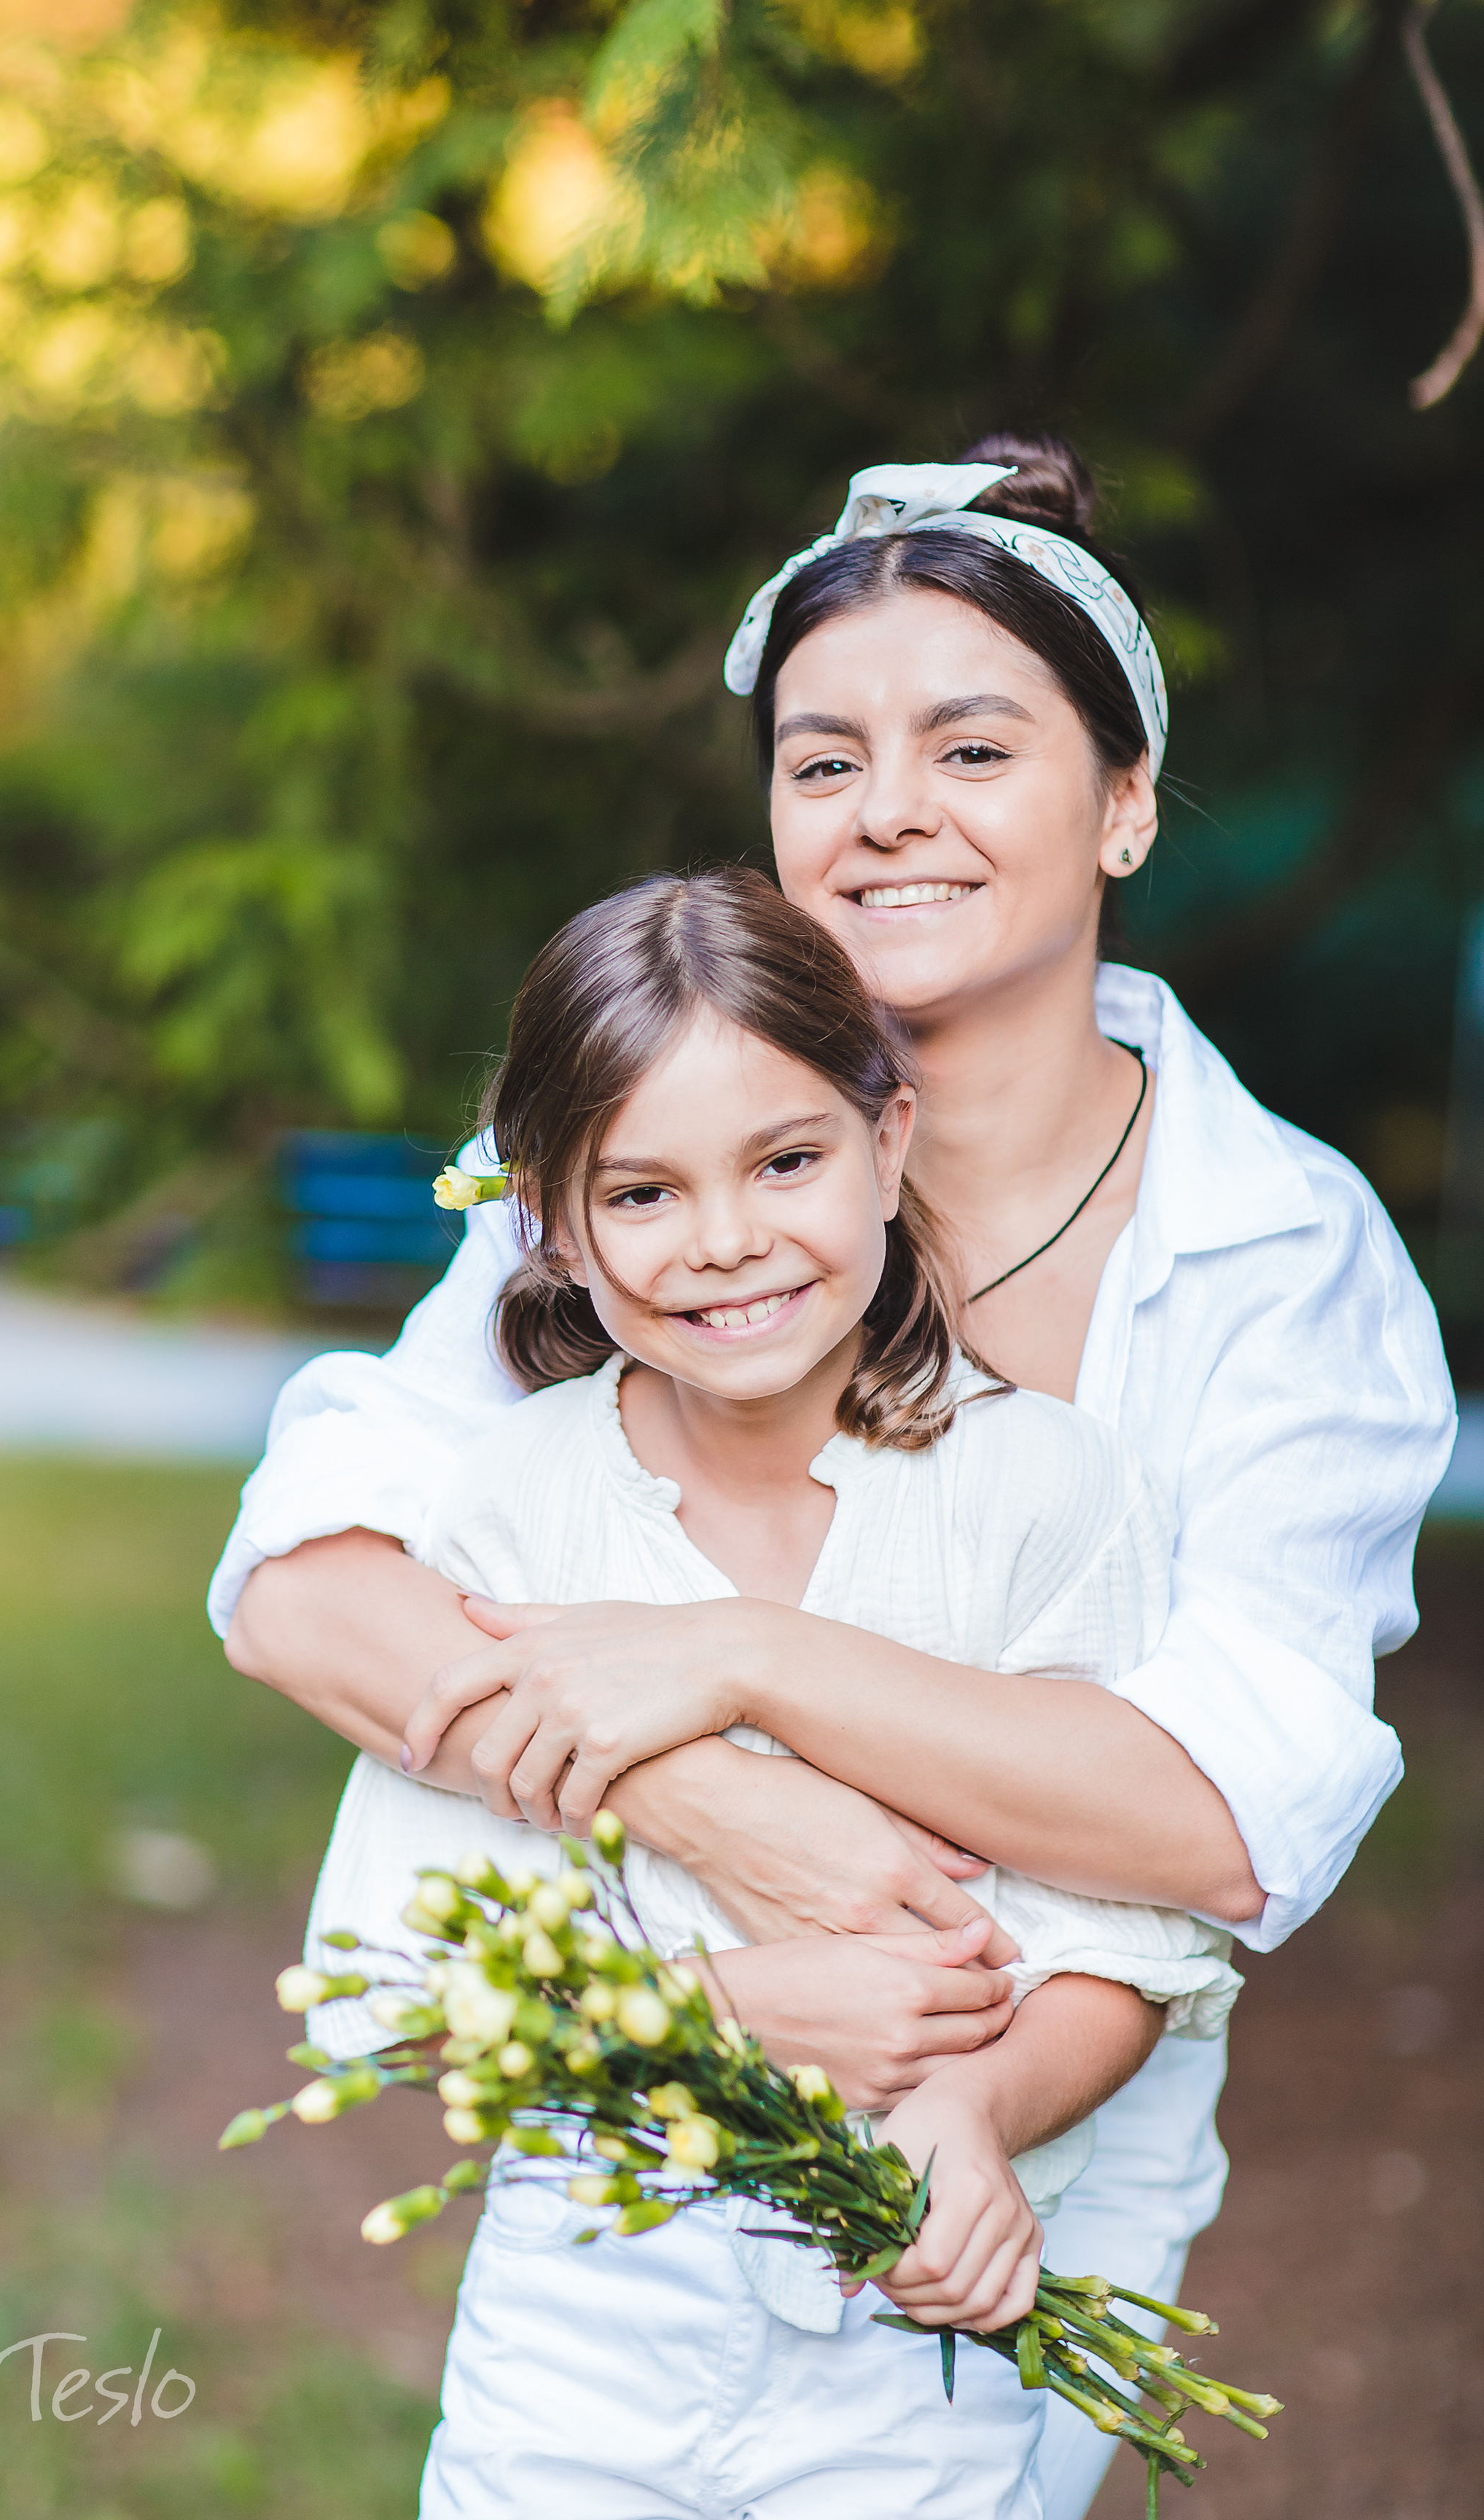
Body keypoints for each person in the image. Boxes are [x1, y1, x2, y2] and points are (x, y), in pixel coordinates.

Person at [216, 431, 1455, 2518]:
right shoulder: (661, 1175)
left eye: (973, 748)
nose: (888, 812)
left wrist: (733, 1664)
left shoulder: (1279, 1250)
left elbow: (1225, 1824)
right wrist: (706, 1799)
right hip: (615, 2262)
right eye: (822, 761)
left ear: (1127, 801)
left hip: (1013, 2190)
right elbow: (308, 1582)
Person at [300, 864, 1240, 2518]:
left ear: (888, 1144)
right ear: (550, 1220)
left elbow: (1136, 1931)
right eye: (642, 1194)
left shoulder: (1042, 1493)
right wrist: (721, 2022)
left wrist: (974, 2111)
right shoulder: (511, 1514)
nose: (725, 1242)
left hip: (911, 2368)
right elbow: (397, 1977)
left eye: (786, 1162)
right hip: (577, 2345)